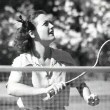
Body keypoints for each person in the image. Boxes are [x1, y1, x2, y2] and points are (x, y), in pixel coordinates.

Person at [7, 10, 99, 110]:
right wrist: (44, 90)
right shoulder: (21, 61)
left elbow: (80, 84)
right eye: (46, 24)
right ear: (32, 33)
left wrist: (88, 97)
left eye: (51, 23)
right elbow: (12, 88)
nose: (51, 26)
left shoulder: (65, 57)